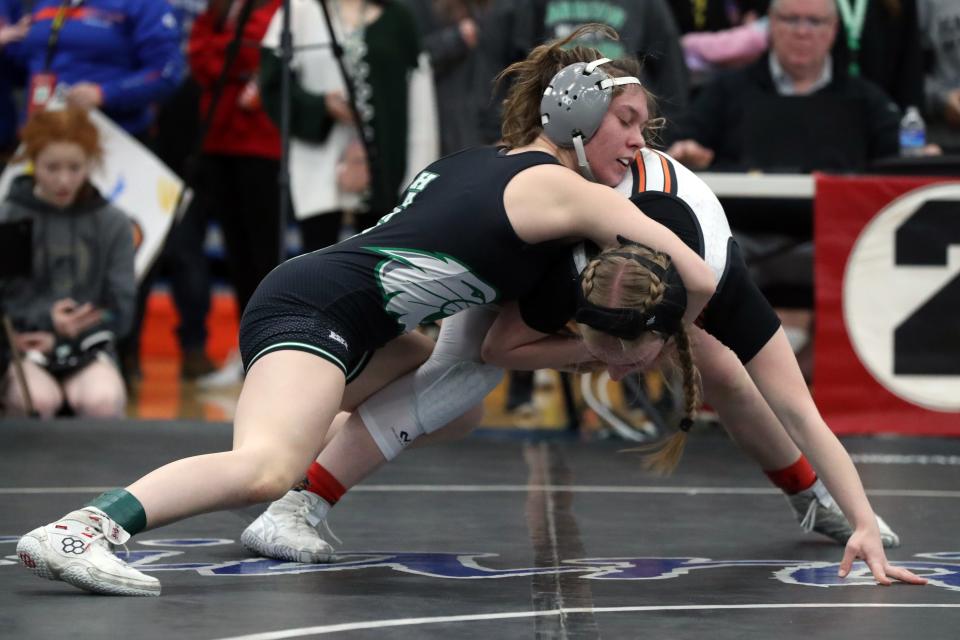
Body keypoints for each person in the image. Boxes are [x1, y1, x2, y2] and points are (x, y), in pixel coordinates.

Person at [15, 25, 720, 597]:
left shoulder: (480, 165)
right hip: (319, 308)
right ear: (580, 118)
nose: (640, 145)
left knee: (457, 393)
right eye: (628, 123)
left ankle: (299, 493)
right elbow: (697, 276)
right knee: (261, 466)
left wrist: (595, 344)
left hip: (349, 313)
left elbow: (495, 349)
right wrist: (653, 319)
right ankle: (84, 529)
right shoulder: (565, 192)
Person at [240, 152, 903, 571]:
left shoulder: (721, 288)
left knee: (729, 376)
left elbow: (802, 411)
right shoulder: (557, 277)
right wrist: (588, 351)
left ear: (671, 330)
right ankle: (300, 502)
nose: (614, 374)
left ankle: (814, 501)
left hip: (651, 238)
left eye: (625, 361)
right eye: (602, 354)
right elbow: (502, 347)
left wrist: (864, 521)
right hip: (544, 224)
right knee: (461, 369)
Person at [0, 107, 135, 418]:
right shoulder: (9, 217)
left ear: (90, 164)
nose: (64, 180)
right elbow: (5, 300)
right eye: (52, 167)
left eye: (75, 168)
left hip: (90, 347)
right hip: (23, 349)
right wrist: (44, 321)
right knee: (36, 400)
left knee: (103, 400)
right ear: (33, 162)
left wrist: (72, 329)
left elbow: (122, 308)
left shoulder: (112, 223)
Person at [667, 0, 902, 172]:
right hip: (744, 228)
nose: (801, 32)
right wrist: (686, 152)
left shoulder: (866, 100)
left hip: (839, 230)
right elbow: (681, 143)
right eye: (790, 19)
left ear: (834, 29)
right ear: (770, 24)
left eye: (815, 21)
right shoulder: (726, 91)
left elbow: (901, 158)